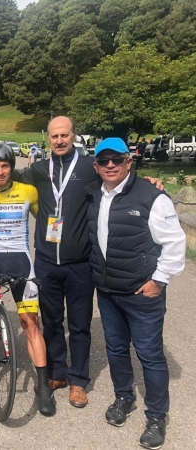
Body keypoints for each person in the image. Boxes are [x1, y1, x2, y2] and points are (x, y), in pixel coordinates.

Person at [18, 116, 163, 409]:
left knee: (80, 324)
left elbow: (120, 178)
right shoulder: (36, 170)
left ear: (74, 137)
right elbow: (4, 179)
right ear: (48, 139)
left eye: (65, 135)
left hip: (81, 262)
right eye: (54, 136)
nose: (59, 140)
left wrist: (150, 181)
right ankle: (57, 373)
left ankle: (78, 381)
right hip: (46, 260)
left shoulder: (89, 167)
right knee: (52, 321)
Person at [86, 138, 185, 450]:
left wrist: (159, 280)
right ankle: (124, 398)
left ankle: (157, 416)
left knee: (150, 355)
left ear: (130, 162)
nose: (111, 165)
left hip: (142, 294)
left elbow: (175, 244)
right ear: (97, 166)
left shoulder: (151, 196)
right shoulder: (93, 192)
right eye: (104, 161)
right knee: (116, 350)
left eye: (117, 159)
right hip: (107, 290)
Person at [0, 143, 55, 416]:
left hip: (20, 260)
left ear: (11, 168)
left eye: (5, 166)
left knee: (30, 325)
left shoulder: (28, 191)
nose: (0, 171)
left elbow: (50, 214)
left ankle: (43, 386)